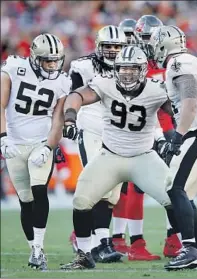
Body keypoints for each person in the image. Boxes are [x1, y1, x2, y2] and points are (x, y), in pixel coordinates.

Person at [60, 46, 178, 270]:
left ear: (143, 70)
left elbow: (178, 109)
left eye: (132, 69)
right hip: (110, 156)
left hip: (143, 156)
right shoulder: (105, 84)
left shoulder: (156, 89)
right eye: (122, 68)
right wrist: (69, 118)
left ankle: (192, 248)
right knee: (81, 199)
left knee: (176, 197)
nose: (126, 73)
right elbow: (76, 96)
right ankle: (85, 255)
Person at [150, 25, 197, 270]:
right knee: (185, 195)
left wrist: (177, 138)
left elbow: (190, 103)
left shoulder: (179, 63)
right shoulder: (189, 61)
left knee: (175, 188)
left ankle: (189, 249)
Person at [0, 33, 71, 270]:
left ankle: (39, 250)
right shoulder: (14, 68)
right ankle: (33, 248)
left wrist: (49, 146)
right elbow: (0, 105)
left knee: (39, 191)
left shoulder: (62, 81)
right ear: (33, 57)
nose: (52, 65)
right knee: (25, 199)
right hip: (14, 143)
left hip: (41, 142)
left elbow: (57, 121)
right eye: (47, 60)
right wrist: (2, 138)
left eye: (55, 60)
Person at [112, 15, 174, 261]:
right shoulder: (131, 62)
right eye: (147, 37)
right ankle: (124, 240)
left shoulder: (171, 62)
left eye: (155, 37)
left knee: (174, 186)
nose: (152, 42)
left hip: (169, 131)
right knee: (126, 188)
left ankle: (174, 238)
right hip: (139, 131)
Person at [68, 25, 126, 263]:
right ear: (98, 46)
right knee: (95, 184)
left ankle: (102, 242)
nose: (112, 51)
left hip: (118, 133)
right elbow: (72, 96)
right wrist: (68, 122)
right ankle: (90, 243)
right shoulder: (82, 66)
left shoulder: (131, 67)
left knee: (112, 192)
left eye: (117, 46)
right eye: (108, 46)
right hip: (91, 128)